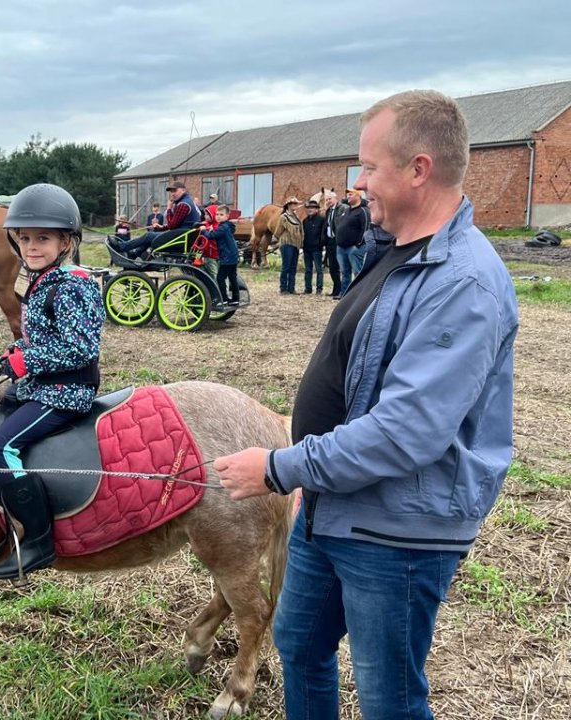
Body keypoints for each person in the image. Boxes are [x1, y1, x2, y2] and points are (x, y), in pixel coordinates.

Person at [213, 89, 519, 720]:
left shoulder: (461, 282)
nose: (358, 181)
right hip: (336, 504)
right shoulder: (397, 251)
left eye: (369, 166)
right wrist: (309, 478)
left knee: (389, 700)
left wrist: (279, 468)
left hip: (396, 529)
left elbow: (405, 433)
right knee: (298, 645)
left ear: (419, 168)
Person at [0, 183, 104, 580]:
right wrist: (17, 353)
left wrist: (25, 361)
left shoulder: (73, 285)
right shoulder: (43, 279)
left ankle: (38, 539)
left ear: (66, 241)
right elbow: (44, 338)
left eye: (43, 238)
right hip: (42, 383)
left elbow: (80, 349)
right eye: (25, 238)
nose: (32, 246)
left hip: (65, 392)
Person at [111, 181, 201, 259]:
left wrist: (169, 208)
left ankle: (121, 247)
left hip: (180, 239)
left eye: (175, 190)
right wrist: (161, 227)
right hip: (184, 236)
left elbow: (172, 226)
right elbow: (177, 224)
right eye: (171, 191)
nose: (172, 193)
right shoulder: (188, 201)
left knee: (148, 236)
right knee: (151, 236)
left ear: (183, 190)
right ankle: (136, 253)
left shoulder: (183, 204)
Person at [335, 187, 370, 295]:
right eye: (348, 195)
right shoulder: (347, 210)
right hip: (341, 247)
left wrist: (358, 245)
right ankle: (345, 294)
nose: (348, 196)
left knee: (357, 272)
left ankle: (359, 295)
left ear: (358, 196)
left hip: (354, 248)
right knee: (345, 272)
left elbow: (366, 228)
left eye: (351, 194)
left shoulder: (363, 210)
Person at [203, 205, 239, 305]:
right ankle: (235, 299)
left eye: (221, 215)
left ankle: (223, 299)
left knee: (220, 278)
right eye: (217, 214)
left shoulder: (223, 227)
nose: (218, 217)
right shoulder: (227, 226)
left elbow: (211, 236)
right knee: (232, 277)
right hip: (233, 256)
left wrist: (204, 230)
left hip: (227, 257)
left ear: (227, 216)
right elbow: (217, 234)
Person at [274, 197, 303, 294]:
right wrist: (279, 240)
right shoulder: (284, 217)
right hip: (286, 244)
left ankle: (291, 288)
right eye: (293, 204)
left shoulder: (296, 217)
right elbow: (278, 231)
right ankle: (283, 288)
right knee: (286, 266)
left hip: (295, 244)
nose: (295, 205)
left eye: (296, 204)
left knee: (293, 267)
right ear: (289, 205)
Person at [322, 191, 345, 298]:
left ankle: (342, 290)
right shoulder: (328, 211)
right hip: (330, 241)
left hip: (338, 240)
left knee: (340, 267)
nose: (328, 201)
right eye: (326, 200)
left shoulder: (342, 208)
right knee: (332, 267)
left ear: (335, 198)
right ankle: (336, 289)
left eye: (329, 199)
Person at [301, 200, 324, 294]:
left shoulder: (322, 220)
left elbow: (323, 234)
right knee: (308, 270)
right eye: (308, 208)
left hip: (317, 249)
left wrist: (321, 244)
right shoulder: (305, 221)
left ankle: (319, 289)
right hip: (307, 248)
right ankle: (308, 288)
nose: (310, 209)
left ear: (316, 210)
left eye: (312, 208)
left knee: (319, 270)